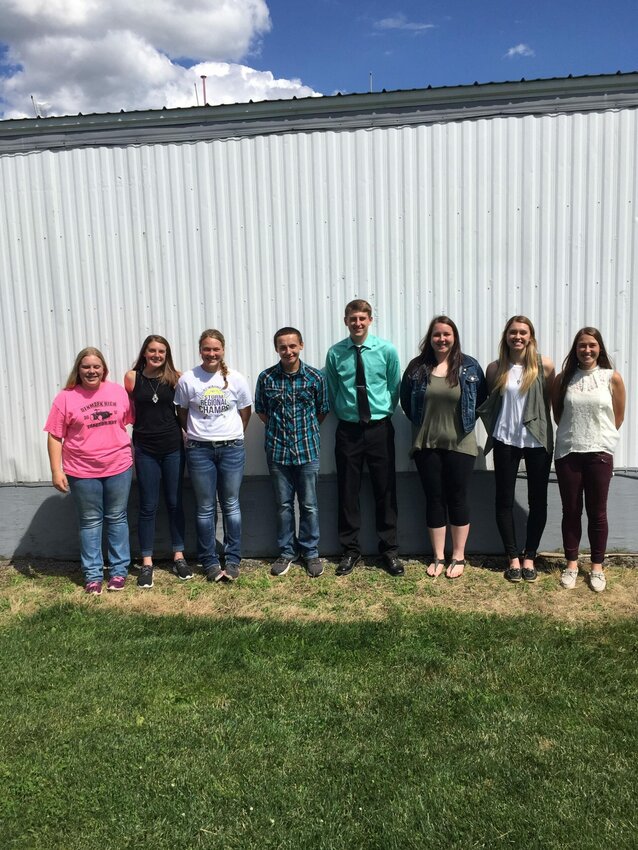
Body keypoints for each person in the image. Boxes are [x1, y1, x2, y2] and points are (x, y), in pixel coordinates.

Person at [400, 316, 486, 579]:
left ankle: (458, 556)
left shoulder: (469, 366)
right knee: (434, 499)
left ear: (454, 337)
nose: (442, 339)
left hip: (460, 444)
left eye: (447, 334)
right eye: (437, 335)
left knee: (457, 498)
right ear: (431, 338)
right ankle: (438, 555)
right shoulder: (417, 368)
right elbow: (406, 400)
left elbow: (480, 400)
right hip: (426, 444)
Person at [44, 347, 134, 594]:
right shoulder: (66, 397)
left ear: (104, 369)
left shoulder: (117, 392)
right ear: (78, 370)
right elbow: (54, 435)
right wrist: (56, 470)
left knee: (117, 518)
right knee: (90, 522)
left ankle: (118, 572)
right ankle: (93, 575)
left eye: (96, 366)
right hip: (81, 470)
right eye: (86, 367)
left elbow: (130, 421)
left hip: (118, 466)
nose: (91, 371)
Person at [325, 299, 403, 577]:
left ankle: (390, 549)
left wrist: (382, 413)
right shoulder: (335, 354)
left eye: (362, 318)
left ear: (370, 320)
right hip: (348, 430)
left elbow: (394, 387)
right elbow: (332, 390)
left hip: (379, 428)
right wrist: (348, 414)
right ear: (345, 321)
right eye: (352, 318)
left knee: (385, 489)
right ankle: (350, 550)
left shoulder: (386, 350)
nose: (357, 323)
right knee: (347, 490)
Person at [478, 316, 555, 583]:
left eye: (523, 332)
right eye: (513, 332)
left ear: (531, 337)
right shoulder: (495, 368)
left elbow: (547, 404)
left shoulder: (544, 366)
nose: (518, 337)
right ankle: (512, 558)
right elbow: (494, 404)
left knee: (538, 501)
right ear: (506, 336)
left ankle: (530, 557)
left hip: (536, 442)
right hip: (505, 440)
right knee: (504, 500)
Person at [552, 327, 625, 592]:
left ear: (600, 348)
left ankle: (596, 567)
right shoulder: (564, 379)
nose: (587, 350)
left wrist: (601, 439)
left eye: (592, 345)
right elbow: (558, 414)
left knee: (597, 513)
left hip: (599, 454)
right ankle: (571, 564)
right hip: (569, 452)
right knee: (570, 511)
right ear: (575, 349)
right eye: (582, 345)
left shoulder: (611, 378)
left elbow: (618, 416)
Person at [175, 329, 252, 582]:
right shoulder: (188, 379)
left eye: (216, 349)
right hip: (200, 450)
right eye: (207, 349)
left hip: (231, 448)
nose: (211, 353)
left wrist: (232, 434)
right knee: (205, 508)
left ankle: (232, 561)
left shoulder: (236, 379)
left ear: (223, 350)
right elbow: (182, 412)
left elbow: (245, 411)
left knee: (231, 505)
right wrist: (197, 434)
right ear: (200, 351)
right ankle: (208, 561)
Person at [255, 327, 329, 578]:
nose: (288, 351)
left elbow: (322, 410)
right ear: (277, 349)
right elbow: (262, 411)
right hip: (278, 452)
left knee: (309, 506)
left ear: (301, 346)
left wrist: (304, 432)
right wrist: (282, 433)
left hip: (307, 451)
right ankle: (287, 552)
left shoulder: (315, 378)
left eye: (292, 346)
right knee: (283, 506)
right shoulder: (266, 378)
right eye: (283, 347)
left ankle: (310, 552)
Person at [125, 335, 189, 589]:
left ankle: (179, 556)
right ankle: (147, 561)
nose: (157, 355)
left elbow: (184, 410)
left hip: (173, 447)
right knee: (147, 505)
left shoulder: (177, 378)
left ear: (167, 354)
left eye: (161, 351)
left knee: (175, 503)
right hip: (145, 449)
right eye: (152, 350)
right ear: (144, 353)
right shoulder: (132, 378)